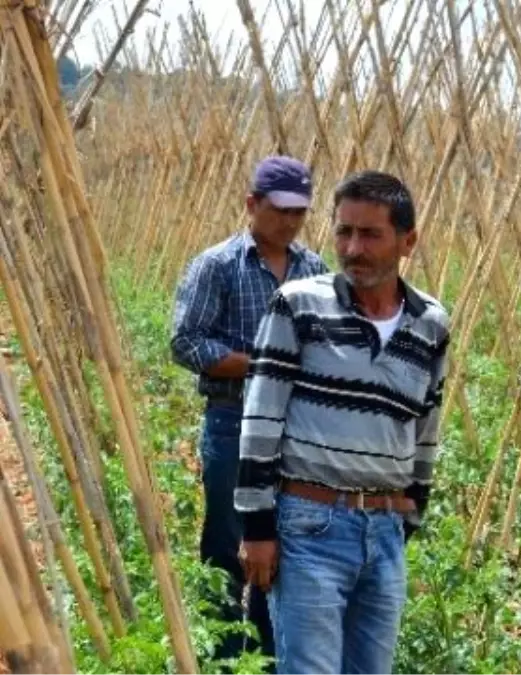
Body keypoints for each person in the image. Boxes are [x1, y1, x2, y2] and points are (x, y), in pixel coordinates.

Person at [234, 170, 450, 674]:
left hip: (383, 533)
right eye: (344, 232)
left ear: (407, 241)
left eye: (370, 234)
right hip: (308, 526)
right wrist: (257, 526)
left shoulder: (430, 323)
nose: (353, 248)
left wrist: (411, 507)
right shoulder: (299, 305)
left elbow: (426, 426)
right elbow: (261, 416)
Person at [170, 155, 327, 667]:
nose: (291, 221)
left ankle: (263, 651)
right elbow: (186, 341)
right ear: (251, 205)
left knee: (279, 540)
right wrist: (265, 365)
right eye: (281, 209)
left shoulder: (314, 270)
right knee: (226, 541)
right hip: (232, 420)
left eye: (300, 211)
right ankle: (221, 652)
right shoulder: (217, 265)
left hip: (294, 429)